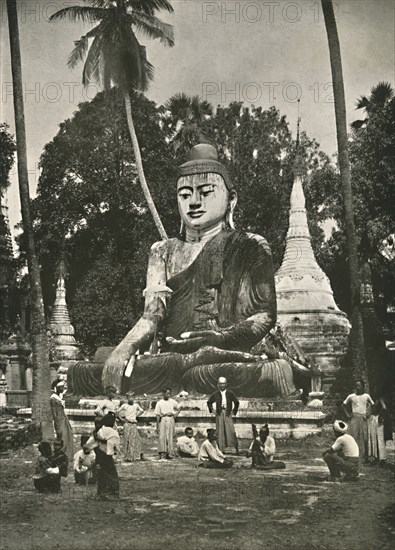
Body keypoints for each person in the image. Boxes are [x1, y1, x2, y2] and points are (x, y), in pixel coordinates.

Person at [69, 144, 299, 399]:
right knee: (81, 371)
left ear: (231, 199)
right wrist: (122, 351)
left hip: (219, 354)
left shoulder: (250, 245)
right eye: (185, 194)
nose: (194, 202)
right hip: (171, 357)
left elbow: (265, 315)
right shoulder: (162, 251)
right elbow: (152, 316)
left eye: (205, 192)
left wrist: (220, 339)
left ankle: (206, 366)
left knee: (268, 371)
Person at [342, 380, 374, 462]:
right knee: (354, 437)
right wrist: (348, 415)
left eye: (359, 386)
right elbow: (343, 405)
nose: (358, 387)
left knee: (365, 438)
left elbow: (373, 405)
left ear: (363, 386)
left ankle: (366, 458)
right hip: (354, 418)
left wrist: (369, 413)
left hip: (363, 418)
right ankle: (354, 457)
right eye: (356, 386)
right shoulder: (351, 396)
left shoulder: (366, 396)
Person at [207, 377, 239, 454]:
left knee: (230, 430)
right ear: (218, 385)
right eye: (220, 384)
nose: (222, 385)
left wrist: (234, 411)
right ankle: (220, 449)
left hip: (227, 413)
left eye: (223, 384)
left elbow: (236, 402)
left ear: (226, 384)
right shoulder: (216, 394)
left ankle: (235, 448)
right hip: (219, 413)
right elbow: (209, 402)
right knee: (219, 431)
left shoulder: (230, 393)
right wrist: (212, 410)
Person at [95, 413, 120, 500]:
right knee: (112, 474)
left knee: (102, 474)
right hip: (109, 456)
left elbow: (96, 443)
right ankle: (112, 493)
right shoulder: (114, 433)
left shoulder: (100, 431)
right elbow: (117, 447)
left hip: (100, 454)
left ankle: (101, 493)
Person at [50, 378, 74, 462]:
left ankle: (67, 456)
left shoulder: (59, 397)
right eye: (61, 387)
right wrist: (57, 427)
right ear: (56, 387)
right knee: (62, 438)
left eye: (63, 387)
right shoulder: (53, 398)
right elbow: (54, 413)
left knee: (68, 436)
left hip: (64, 419)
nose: (63, 389)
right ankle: (61, 457)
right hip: (59, 420)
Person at [118, 392, 145, 462]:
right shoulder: (125, 405)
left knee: (134, 439)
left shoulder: (136, 405)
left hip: (133, 424)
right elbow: (117, 412)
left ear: (134, 398)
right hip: (127, 424)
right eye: (129, 397)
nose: (131, 399)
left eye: (132, 397)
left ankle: (133, 456)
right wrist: (121, 419)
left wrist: (136, 415)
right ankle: (127, 456)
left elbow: (142, 411)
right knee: (127, 439)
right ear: (127, 398)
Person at [155, 389, 180, 459]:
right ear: (163, 394)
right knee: (162, 436)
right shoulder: (159, 403)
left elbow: (179, 407)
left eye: (169, 393)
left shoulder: (172, 401)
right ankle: (162, 452)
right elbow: (157, 415)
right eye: (167, 393)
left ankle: (169, 453)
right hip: (163, 419)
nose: (168, 395)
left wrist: (175, 415)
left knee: (170, 435)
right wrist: (157, 426)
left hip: (171, 418)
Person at [368, 397, 392, 465]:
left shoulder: (380, 399)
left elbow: (384, 407)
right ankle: (376, 457)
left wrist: (381, 416)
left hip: (378, 419)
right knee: (374, 438)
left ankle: (382, 458)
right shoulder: (374, 398)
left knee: (380, 439)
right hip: (374, 418)